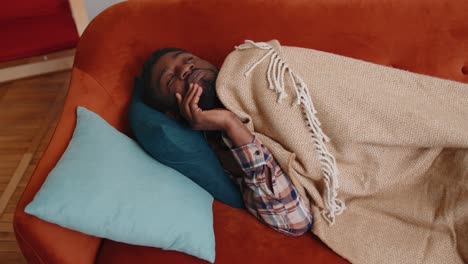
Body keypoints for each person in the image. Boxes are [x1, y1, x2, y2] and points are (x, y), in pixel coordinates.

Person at [141, 48, 312, 235]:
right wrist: (230, 124)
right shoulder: (223, 149)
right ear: (173, 114)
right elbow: (295, 221)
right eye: (170, 80)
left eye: (189, 59)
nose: (186, 68)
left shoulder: (256, 65)